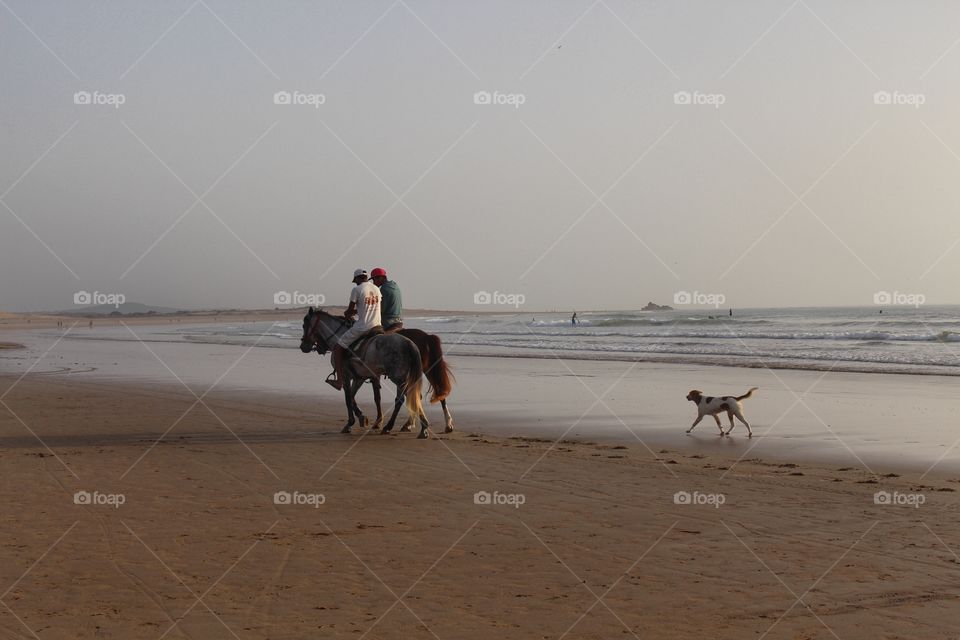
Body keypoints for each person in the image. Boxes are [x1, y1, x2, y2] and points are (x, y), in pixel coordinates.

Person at [326, 268, 382, 390]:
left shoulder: (356, 289)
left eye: (355, 280)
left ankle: (339, 381)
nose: (355, 282)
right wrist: (358, 310)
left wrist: (347, 313)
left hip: (363, 327)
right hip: (377, 325)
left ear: (357, 278)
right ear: (366, 277)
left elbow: (350, 310)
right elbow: (370, 306)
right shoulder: (376, 289)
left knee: (338, 347)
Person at [370, 267, 403, 332]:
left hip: (388, 322)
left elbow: (381, 309)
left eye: (374, 280)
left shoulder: (384, 289)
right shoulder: (394, 285)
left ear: (380, 278)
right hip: (398, 320)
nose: (373, 283)